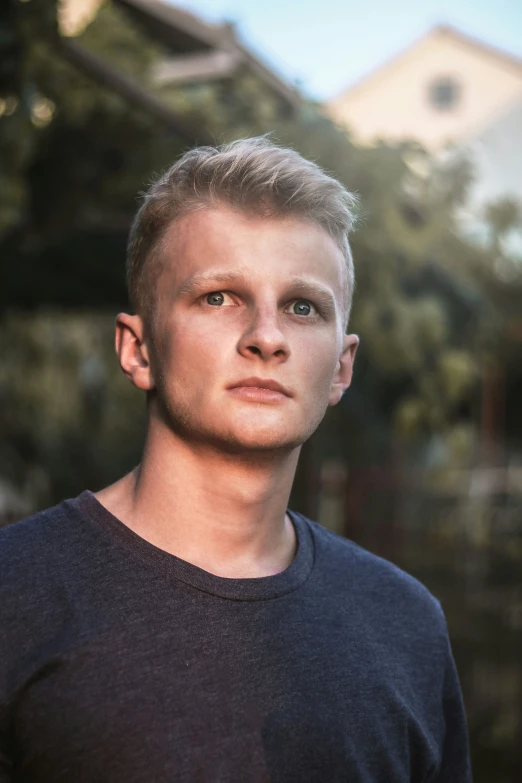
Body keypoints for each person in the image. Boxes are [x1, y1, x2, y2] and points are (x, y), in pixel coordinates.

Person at [0, 137, 472, 782]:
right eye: (219, 297)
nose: (267, 338)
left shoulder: (406, 622)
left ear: (340, 368)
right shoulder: (15, 594)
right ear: (138, 349)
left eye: (302, 307)